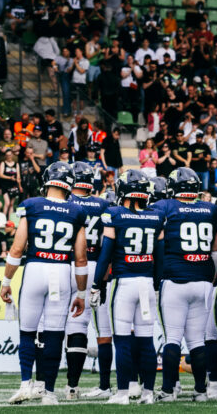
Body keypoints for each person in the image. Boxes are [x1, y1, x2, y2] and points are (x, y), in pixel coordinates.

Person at [0, 162, 89, 406]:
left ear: (47, 181)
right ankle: (48, 392)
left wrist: (6, 280)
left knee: (27, 332)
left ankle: (25, 384)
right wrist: (81, 292)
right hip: (61, 272)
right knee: (54, 334)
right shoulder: (77, 211)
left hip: (35, 269)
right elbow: (80, 258)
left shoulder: (31, 205)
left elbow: (17, 248)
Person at [90, 170, 163, 404]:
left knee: (121, 339)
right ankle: (148, 392)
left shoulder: (114, 214)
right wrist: (156, 285)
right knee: (146, 340)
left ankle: (122, 393)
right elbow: (160, 258)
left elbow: (105, 255)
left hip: (123, 283)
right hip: (146, 284)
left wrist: (95, 285)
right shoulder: (157, 216)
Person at [150, 167, 217, 402]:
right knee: (197, 340)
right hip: (202, 280)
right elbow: (216, 248)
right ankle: (201, 391)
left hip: (175, 279)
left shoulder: (164, 207)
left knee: (172, 338)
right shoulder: (210, 209)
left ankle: (169, 391)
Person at [63, 163, 113, 400]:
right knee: (103, 330)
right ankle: (105, 385)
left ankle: (69, 385)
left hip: (69, 266)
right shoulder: (104, 204)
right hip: (97, 266)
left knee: (66, 325)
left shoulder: (66, 202)